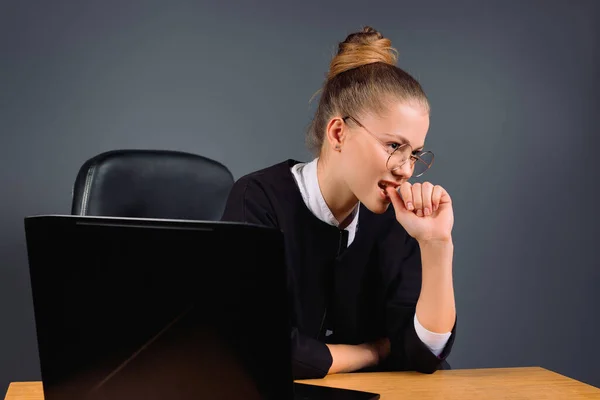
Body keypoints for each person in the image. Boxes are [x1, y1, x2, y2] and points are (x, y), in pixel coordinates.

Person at [221, 26, 456, 380]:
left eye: (415, 154)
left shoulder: (400, 219)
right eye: (394, 146)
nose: (406, 170)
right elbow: (258, 347)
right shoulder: (258, 200)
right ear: (338, 133)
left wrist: (436, 245)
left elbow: (423, 355)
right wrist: (372, 352)